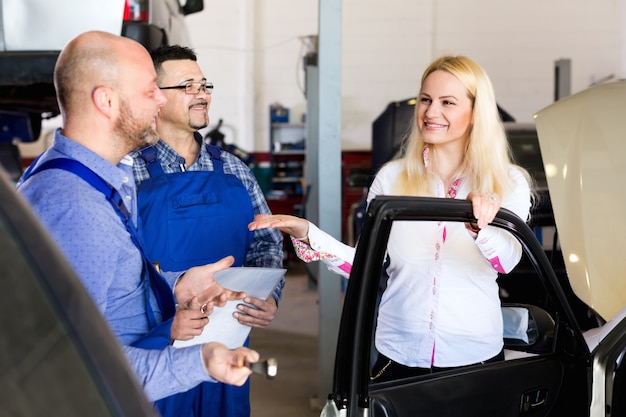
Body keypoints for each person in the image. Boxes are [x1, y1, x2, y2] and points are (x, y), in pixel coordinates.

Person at [249, 55, 533, 382]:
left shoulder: (507, 182)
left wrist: (478, 225)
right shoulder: (392, 178)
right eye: (426, 99)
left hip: (475, 356)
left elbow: (506, 262)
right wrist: (307, 233)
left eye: (448, 102)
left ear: (475, 112)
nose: (431, 111)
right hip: (398, 353)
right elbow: (366, 265)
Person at [16, 30, 259, 404]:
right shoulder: (75, 209)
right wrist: (202, 362)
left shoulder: (106, 177)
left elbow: (114, 282)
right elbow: (73, 366)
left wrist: (175, 285)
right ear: (107, 101)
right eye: (150, 91)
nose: (162, 100)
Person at [128, 45, 284, 417]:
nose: (202, 93)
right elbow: (117, 264)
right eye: (187, 86)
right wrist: (172, 288)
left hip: (228, 346)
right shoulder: (127, 171)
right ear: (155, 98)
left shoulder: (235, 169)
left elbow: (266, 241)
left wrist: (270, 295)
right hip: (156, 352)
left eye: (204, 84)